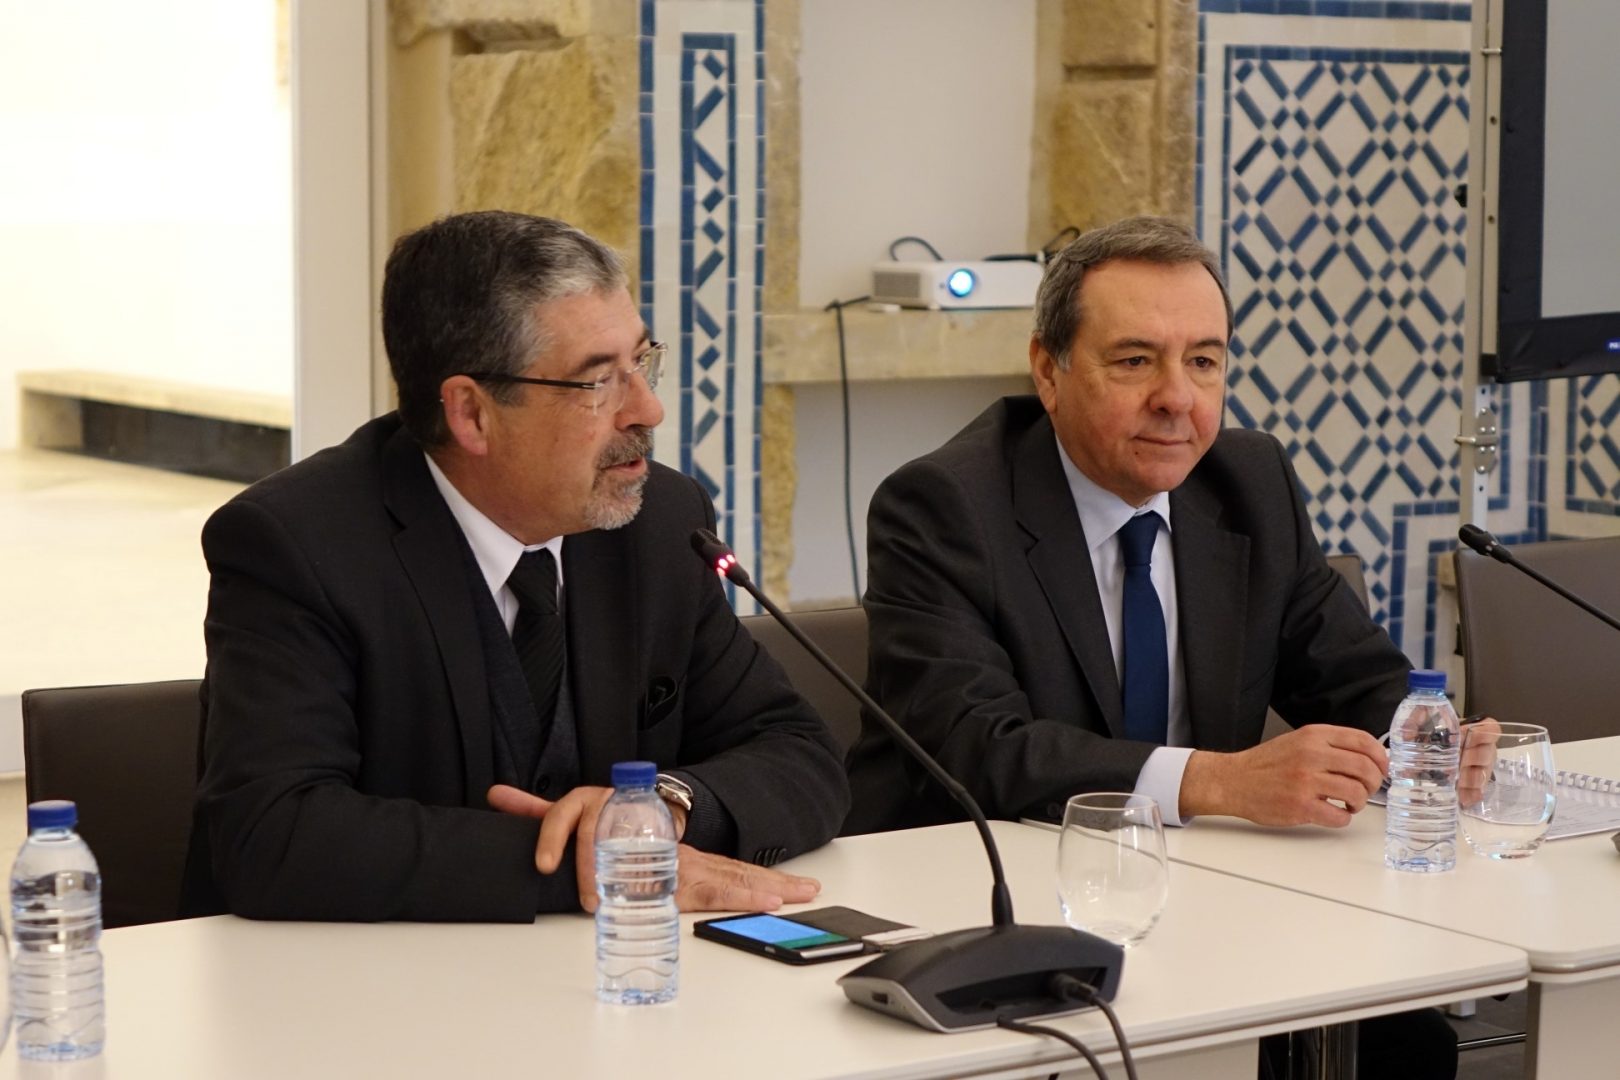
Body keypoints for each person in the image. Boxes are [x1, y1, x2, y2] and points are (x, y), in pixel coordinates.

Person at [846, 216, 1455, 1077]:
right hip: (981, 922)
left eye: (1203, 361)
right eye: (1135, 361)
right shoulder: (944, 507)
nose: (1178, 396)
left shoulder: (1249, 483)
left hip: (1206, 906)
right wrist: (1218, 779)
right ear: (1047, 372)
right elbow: (980, 750)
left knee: (1405, 1043)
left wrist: (1438, 743)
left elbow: (1356, 679)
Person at [188, 211, 849, 922]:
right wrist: (595, 866)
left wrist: (662, 810)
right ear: (471, 413)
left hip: (607, 989)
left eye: (643, 362)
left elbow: (799, 752)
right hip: (370, 1003)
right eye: (598, 383)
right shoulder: (298, 545)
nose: (648, 409)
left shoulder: (658, 523)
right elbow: (274, 835)